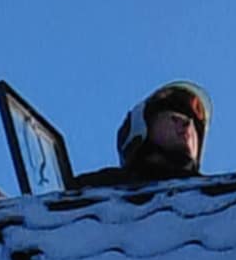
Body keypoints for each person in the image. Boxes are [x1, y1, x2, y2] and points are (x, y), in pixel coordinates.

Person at [74, 80, 212, 188]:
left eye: (192, 123)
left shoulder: (212, 199)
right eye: (175, 118)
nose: (187, 126)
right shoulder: (98, 190)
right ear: (142, 127)